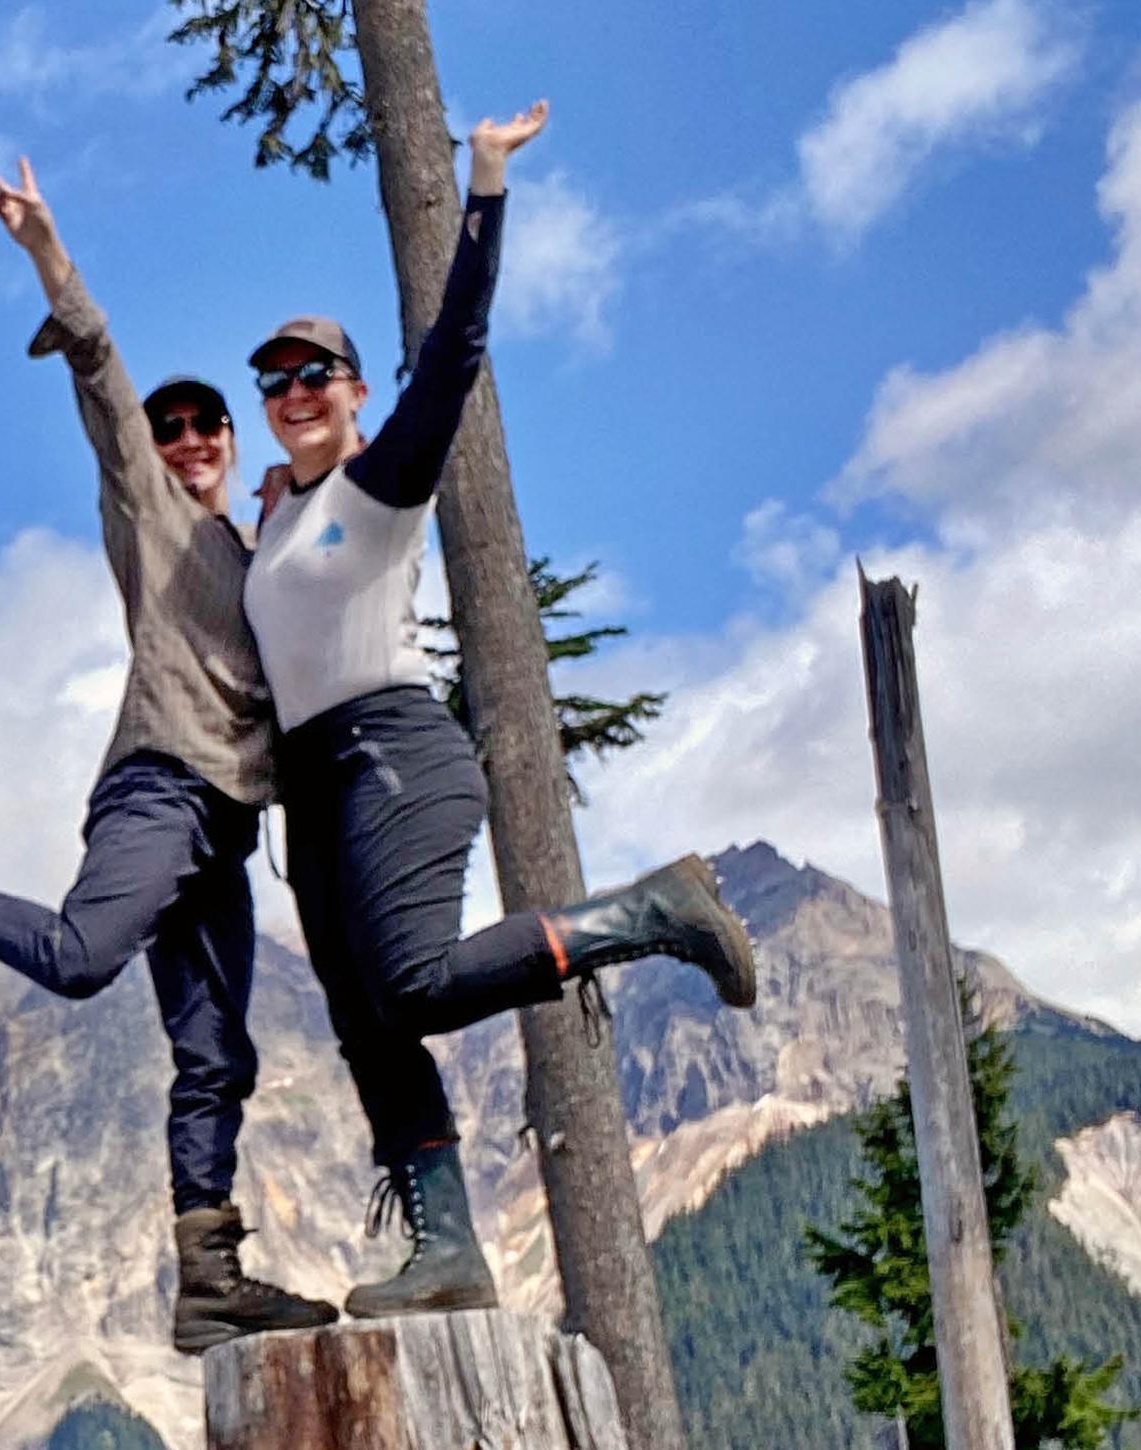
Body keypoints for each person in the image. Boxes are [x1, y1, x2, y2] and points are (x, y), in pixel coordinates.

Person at [0, 156, 336, 1354]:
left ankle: (208, 1279)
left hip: (224, 833)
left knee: (218, 1055)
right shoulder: (150, 512)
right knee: (85, 956)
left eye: (207, 424)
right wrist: (47, 248)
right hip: (157, 788)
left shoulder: (265, 559)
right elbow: (100, 372)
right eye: (175, 426)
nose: (189, 436)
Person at [241, 103, 762, 1318]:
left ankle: (649, 910)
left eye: (316, 374)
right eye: (275, 380)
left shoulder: (378, 486)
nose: (294, 392)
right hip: (313, 793)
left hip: (393, 755)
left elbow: (458, 349)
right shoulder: (279, 517)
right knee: (371, 1025)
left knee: (417, 984)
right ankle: (447, 1250)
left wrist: (482, 185)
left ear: (358, 390)